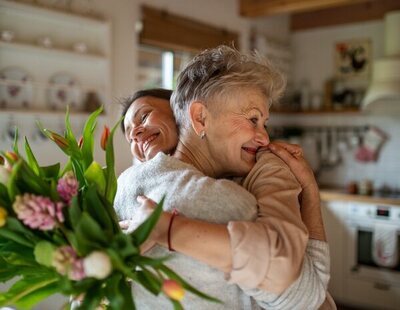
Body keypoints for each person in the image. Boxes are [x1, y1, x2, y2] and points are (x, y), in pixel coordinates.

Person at [115, 46, 332, 309]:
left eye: (263, 123)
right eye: (252, 119)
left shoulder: (125, 186)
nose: (265, 137)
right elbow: (310, 298)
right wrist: (308, 193)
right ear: (200, 118)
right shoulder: (226, 204)